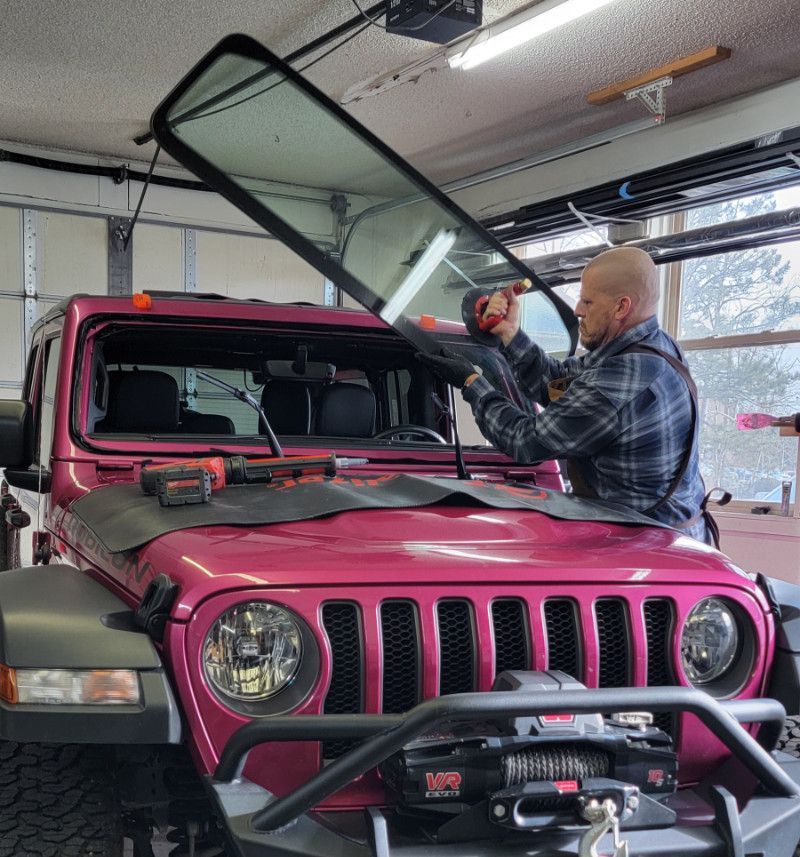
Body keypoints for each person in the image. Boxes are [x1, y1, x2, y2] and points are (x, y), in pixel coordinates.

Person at [421, 246, 721, 547]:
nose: (577, 309)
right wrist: (510, 333)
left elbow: (525, 441)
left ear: (621, 307)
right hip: (674, 536)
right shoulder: (651, 345)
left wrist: (472, 382)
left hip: (647, 550)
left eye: (587, 301)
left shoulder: (621, 382)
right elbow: (558, 382)